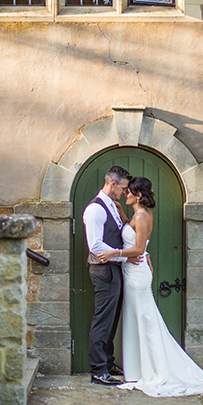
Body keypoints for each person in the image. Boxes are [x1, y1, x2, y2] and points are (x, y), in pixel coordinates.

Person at [97, 176, 203, 396]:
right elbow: (128, 230)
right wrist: (118, 209)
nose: (126, 194)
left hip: (137, 276)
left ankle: (154, 369)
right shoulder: (138, 215)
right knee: (136, 318)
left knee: (144, 318)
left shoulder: (142, 217)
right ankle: (138, 369)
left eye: (129, 192)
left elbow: (139, 249)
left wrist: (114, 253)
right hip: (132, 273)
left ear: (139, 195)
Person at [82, 165, 134, 386]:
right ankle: (98, 370)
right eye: (123, 188)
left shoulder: (112, 205)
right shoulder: (95, 209)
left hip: (114, 269)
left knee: (111, 320)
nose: (124, 192)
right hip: (104, 271)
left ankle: (108, 361)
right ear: (113, 184)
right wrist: (124, 257)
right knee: (103, 320)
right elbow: (94, 245)